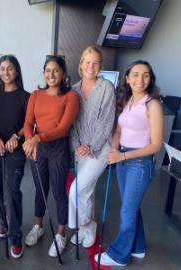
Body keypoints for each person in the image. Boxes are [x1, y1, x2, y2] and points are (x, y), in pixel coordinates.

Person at [95, 60, 163, 266]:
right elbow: (118, 130)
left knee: (126, 210)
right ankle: (138, 247)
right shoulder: (128, 101)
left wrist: (122, 157)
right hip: (123, 159)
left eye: (145, 75)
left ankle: (119, 254)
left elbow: (156, 145)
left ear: (150, 79)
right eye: (135, 74)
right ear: (127, 77)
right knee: (131, 207)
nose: (139, 79)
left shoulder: (153, 105)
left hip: (139, 163)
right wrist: (115, 149)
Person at [22, 55, 79, 257]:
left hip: (58, 148)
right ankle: (39, 227)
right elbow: (27, 124)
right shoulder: (36, 95)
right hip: (38, 148)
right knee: (40, 190)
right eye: (48, 70)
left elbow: (63, 128)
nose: (51, 74)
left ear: (63, 74)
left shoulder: (71, 96)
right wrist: (31, 140)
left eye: (56, 70)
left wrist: (36, 139)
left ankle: (61, 233)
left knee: (58, 192)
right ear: (43, 73)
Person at [68, 46, 115, 248]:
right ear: (80, 64)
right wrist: (77, 145)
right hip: (80, 150)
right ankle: (84, 228)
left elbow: (107, 122)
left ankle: (86, 224)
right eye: (87, 62)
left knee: (75, 191)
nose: (91, 66)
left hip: (101, 149)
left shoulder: (106, 88)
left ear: (100, 66)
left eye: (95, 63)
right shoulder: (74, 90)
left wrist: (91, 145)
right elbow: (73, 122)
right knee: (85, 192)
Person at [0, 55, 30, 259]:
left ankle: (15, 236)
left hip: (16, 150)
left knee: (12, 190)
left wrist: (16, 137)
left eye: (10, 68)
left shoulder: (26, 97)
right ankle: (3, 223)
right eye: (2, 69)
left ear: (17, 71)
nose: (6, 72)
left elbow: (30, 124)